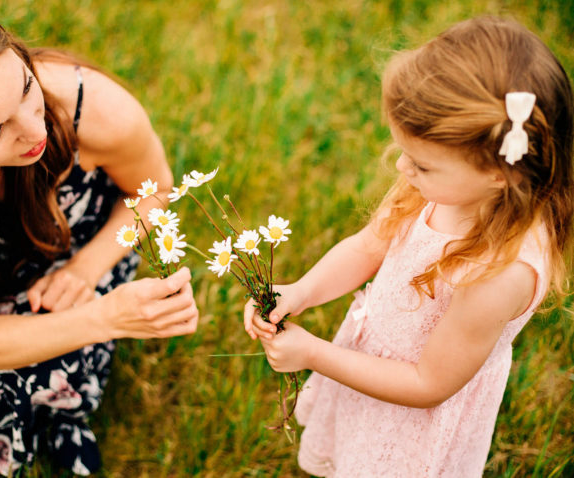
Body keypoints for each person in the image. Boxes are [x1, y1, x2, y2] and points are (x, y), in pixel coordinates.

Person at [0, 0, 199, 475]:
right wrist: (105, 319)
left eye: (25, 87)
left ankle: (66, 416)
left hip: (81, 247)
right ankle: (56, 409)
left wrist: (86, 272)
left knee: (60, 356)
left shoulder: (94, 109)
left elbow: (155, 191)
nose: (34, 128)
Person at [244, 16, 573, 478]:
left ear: (500, 173)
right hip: (369, 371)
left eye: (420, 162)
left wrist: (314, 354)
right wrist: (300, 291)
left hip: (413, 421)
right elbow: (368, 246)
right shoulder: (440, 188)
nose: (401, 166)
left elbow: (428, 383)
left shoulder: (501, 271)